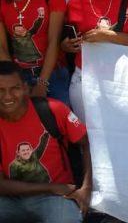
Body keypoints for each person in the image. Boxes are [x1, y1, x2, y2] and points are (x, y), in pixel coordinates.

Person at [0, 60, 92, 223]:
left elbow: (86, 143)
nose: (7, 96)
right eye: (0, 90)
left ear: (26, 89)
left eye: (15, 88)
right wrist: (51, 187)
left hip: (55, 198)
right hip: (11, 199)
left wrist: (86, 188)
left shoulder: (53, 109)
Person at [0, 0, 69, 104]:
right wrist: (15, 81)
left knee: (58, 123)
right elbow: (1, 47)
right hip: (17, 75)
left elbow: (54, 41)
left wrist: (42, 83)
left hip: (53, 73)